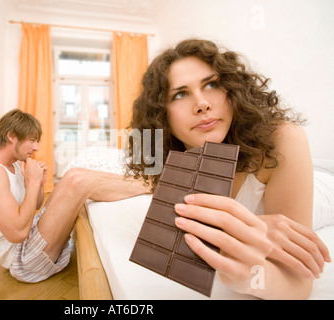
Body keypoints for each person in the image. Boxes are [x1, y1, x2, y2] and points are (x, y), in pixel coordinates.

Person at [123, 38, 330, 299]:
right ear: (161, 115)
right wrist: (253, 232)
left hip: (325, 185)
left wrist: (253, 278)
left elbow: (300, 286)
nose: (202, 104)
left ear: (232, 90)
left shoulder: (283, 139)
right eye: (180, 94)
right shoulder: (171, 161)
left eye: (211, 84)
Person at [0, 109, 149, 283]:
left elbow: (34, 205)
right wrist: (33, 183)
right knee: (76, 182)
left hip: (30, 238)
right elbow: (17, 233)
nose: (36, 147)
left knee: (73, 175)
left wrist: (38, 183)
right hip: (23, 260)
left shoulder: (12, 166)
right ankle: (149, 185)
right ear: (11, 136)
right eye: (32, 140)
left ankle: (144, 183)